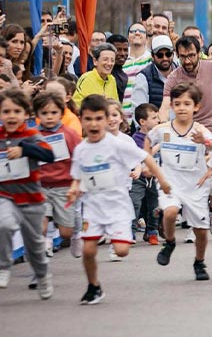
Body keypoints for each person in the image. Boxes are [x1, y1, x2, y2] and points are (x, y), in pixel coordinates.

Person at [68, 94, 171, 305]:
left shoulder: (116, 144)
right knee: (88, 249)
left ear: (107, 120)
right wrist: (74, 189)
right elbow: (78, 176)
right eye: (88, 119)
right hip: (93, 209)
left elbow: (146, 157)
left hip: (117, 208)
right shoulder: (81, 149)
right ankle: (93, 286)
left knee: (122, 251)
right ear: (82, 121)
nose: (94, 123)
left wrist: (163, 180)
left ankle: (116, 241)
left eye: (98, 118)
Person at [146, 83, 212, 281]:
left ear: (196, 107)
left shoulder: (201, 131)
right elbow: (146, 143)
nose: (182, 107)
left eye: (187, 103)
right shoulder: (162, 129)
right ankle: (169, 242)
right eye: (177, 103)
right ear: (172, 106)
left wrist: (206, 143)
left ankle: (199, 262)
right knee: (170, 212)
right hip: (171, 182)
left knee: (201, 231)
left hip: (195, 186)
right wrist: (148, 164)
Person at [0, 89, 56, 298]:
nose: (11, 116)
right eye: (6, 111)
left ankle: (42, 276)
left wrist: (25, 150)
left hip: (32, 199)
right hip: (5, 195)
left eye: (17, 111)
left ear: (26, 115)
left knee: (34, 246)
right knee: (3, 224)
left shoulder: (31, 135)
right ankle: (4, 267)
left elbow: (49, 155)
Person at [33, 91, 83, 260]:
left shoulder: (70, 134)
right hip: (41, 187)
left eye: (53, 113)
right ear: (37, 114)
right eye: (44, 113)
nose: (49, 117)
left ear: (61, 113)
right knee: (41, 226)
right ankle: (43, 249)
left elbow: (81, 157)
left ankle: (77, 233)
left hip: (64, 187)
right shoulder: (33, 135)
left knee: (65, 232)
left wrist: (80, 182)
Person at [161, 36, 212, 134]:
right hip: (186, 133)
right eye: (183, 56)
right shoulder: (173, 78)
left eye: (191, 55)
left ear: (199, 53)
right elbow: (165, 106)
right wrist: (163, 125)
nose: (187, 61)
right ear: (177, 55)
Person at [131, 103, 161, 245]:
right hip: (139, 177)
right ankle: (129, 232)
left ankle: (152, 232)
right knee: (135, 203)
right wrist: (158, 146)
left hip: (155, 177)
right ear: (142, 121)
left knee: (154, 205)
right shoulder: (136, 138)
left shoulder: (160, 135)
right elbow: (142, 155)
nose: (158, 121)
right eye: (154, 118)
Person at [133, 35, 176, 110]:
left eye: (168, 54)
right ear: (152, 56)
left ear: (173, 54)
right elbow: (139, 111)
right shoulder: (143, 77)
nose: (165, 58)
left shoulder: (181, 73)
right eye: (160, 55)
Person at [122, 22, 152, 125]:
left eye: (142, 31)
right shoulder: (121, 59)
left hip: (143, 120)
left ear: (146, 39)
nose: (137, 33)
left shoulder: (151, 59)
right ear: (128, 37)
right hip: (122, 119)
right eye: (133, 31)